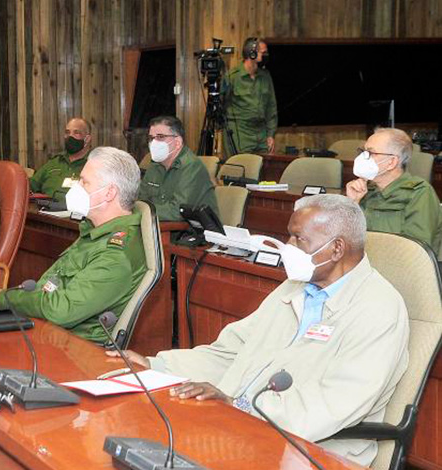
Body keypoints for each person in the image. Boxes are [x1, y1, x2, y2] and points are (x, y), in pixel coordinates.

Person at [109, 194, 409, 467]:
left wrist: (241, 407)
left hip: (314, 451)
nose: (288, 248)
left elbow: (333, 404)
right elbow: (230, 352)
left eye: (298, 238)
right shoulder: (295, 288)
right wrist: (156, 365)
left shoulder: (379, 309)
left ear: (337, 248)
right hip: (240, 427)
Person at [0, 147, 147, 343]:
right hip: (48, 331)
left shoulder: (116, 254)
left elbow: (63, 310)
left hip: (73, 349)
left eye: (84, 182)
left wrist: (1, 298)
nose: (76, 187)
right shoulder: (94, 231)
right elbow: (50, 288)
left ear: (109, 193)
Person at [346, 127, 442, 256]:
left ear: (391, 162)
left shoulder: (419, 192)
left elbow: (416, 250)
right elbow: (347, 240)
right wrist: (353, 203)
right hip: (367, 264)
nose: (362, 158)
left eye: (370, 153)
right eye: (362, 152)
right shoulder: (364, 191)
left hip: (400, 268)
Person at [138, 115, 218, 222]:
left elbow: (177, 212)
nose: (153, 142)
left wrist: (142, 211)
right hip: (158, 226)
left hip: (194, 232)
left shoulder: (192, 166)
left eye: (160, 137)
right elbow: (141, 200)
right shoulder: (155, 164)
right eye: (151, 138)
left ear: (177, 142)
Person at [223, 37, 277, 155]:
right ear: (251, 53)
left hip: (261, 133)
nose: (266, 55)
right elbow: (221, 105)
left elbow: (271, 108)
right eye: (263, 52)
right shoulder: (232, 77)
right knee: (241, 169)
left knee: (263, 170)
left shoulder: (265, 76)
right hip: (240, 133)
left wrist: (270, 135)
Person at [29, 117, 92, 202]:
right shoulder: (55, 162)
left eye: (76, 133)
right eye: (67, 132)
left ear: (87, 139)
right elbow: (30, 186)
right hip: (46, 212)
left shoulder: (94, 164)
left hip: (77, 213)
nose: (70, 136)